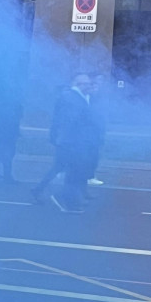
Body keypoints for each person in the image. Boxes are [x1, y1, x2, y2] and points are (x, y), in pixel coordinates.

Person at [34, 73, 104, 213]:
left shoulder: (80, 98)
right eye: (87, 84)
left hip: (74, 141)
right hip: (71, 142)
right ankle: (65, 199)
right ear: (78, 84)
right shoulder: (71, 98)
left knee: (69, 169)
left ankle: (63, 196)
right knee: (72, 171)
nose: (90, 86)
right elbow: (70, 122)